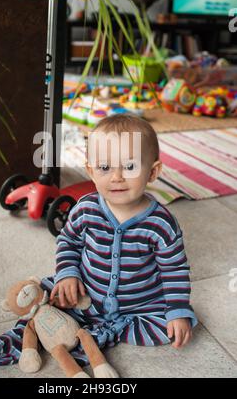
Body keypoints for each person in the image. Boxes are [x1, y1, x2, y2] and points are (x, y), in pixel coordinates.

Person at [41, 113, 197, 363]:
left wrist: (177, 310)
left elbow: (174, 270)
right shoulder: (85, 209)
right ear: (91, 171)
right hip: (88, 294)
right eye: (105, 167)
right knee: (49, 295)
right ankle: (85, 323)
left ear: (153, 171)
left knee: (173, 326)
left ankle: (110, 331)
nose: (117, 177)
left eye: (130, 166)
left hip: (142, 305)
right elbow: (68, 242)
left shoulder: (161, 223)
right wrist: (68, 273)